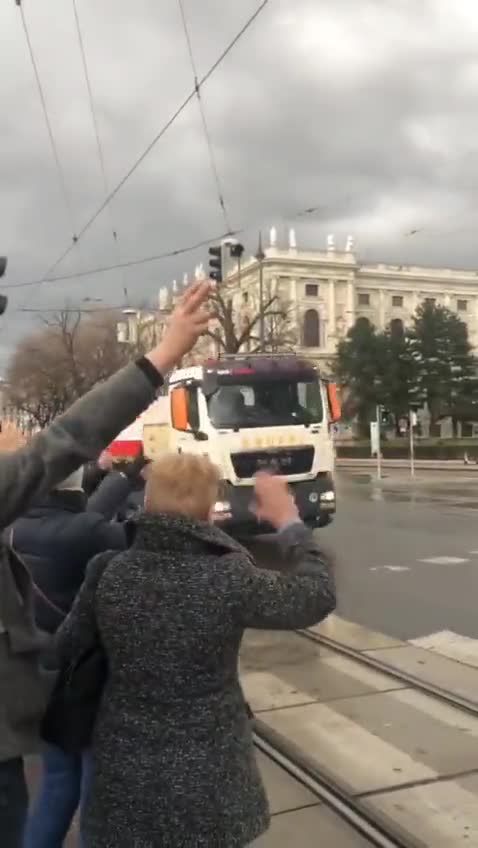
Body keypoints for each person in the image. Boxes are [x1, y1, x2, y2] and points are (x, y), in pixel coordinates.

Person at [0, 279, 212, 848]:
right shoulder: (76, 529)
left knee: (55, 789)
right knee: (84, 781)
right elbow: (67, 442)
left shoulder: (35, 521)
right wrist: (164, 355)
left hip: (31, 708)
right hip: (47, 703)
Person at [56, 458, 336, 848]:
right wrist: (290, 523)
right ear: (209, 511)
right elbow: (317, 596)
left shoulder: (109, 571)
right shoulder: (229, 577)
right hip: (212, 775)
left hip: (125, 769)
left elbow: (67, 648)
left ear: (147, 503)